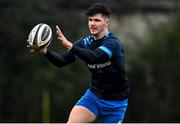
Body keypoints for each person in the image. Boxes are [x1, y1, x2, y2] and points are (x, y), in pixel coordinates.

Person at [28, 3, 130, 123]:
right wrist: (45, 52)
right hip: (94, 97)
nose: (92, 23)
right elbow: (61, 61)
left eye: (97, 20)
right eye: (90, 20)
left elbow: (95, 57)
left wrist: (70, 46)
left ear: (106, 23)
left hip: (115, 103)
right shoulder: (85, 43)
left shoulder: (113, 43)